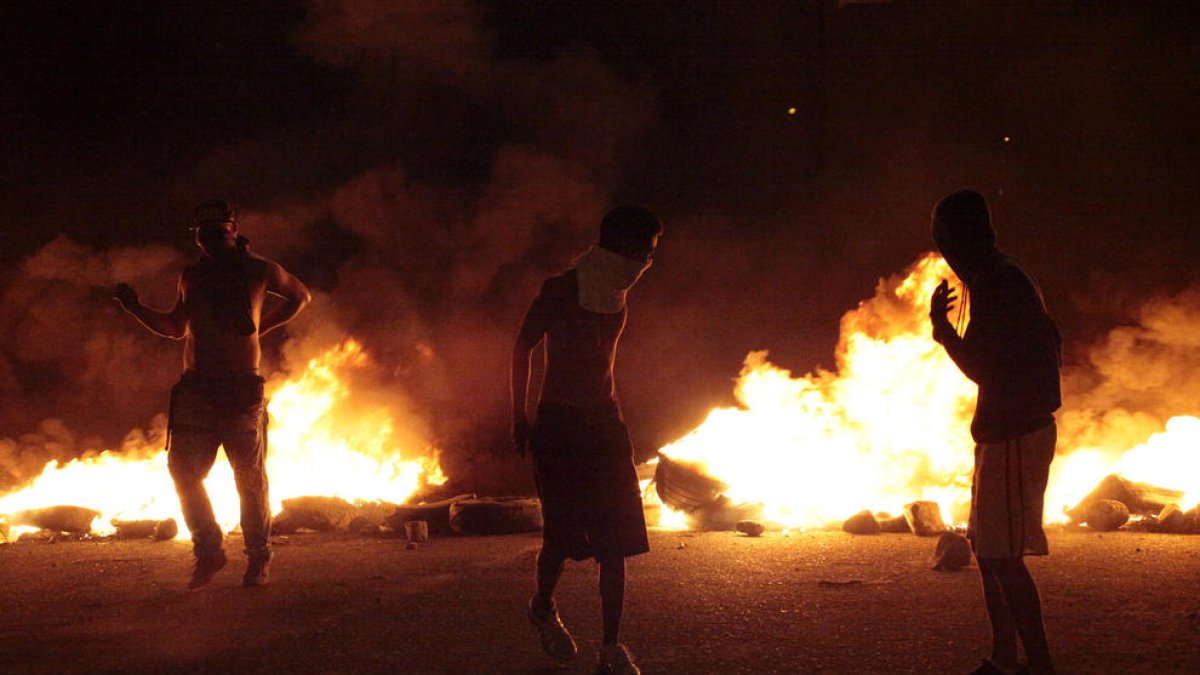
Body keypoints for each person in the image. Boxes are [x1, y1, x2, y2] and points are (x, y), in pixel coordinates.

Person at [115, 200, 311, 589]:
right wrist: (134, 307)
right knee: (183, 472)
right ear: (198, 238)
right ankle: (209, 549)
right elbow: (175, 327)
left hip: (241, 389)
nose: (212, 240)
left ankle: (258, 557)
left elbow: (300, 297)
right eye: (205, 234)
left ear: (234, 231)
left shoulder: (259, 269)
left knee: (249, 478)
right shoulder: (192, 277)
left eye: (220, 232)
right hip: (197, 390)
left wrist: (260, 328)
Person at [511, 205, 662, 675]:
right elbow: (523, 345)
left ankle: (610, 649)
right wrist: (520, 414)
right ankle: (542, 604)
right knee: (561, 537)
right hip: (560, 427)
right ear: (621, 247)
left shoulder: (617, 293)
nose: (647, 263)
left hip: (605, 424)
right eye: (644, 252)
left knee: (616, 542)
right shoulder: (562, 289)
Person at [928, 190, 1062, 675]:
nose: (946, 253)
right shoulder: (996, 276)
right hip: (1004, 432)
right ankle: (1005, 659)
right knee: (988, 551)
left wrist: (944, 331)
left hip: (1014, 434)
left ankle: (1039, 665)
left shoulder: (999, 283)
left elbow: (982, 366)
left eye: (946, 242)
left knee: (1003, 557)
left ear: (964, 238)